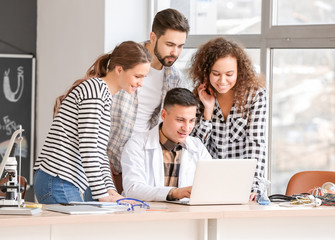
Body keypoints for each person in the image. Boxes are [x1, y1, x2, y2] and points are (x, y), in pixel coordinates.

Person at [33, 41, 152, 204]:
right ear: (119, 69)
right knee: (78, 229)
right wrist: (102, 195)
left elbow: (99, 152)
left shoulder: (103, 94)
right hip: (57, 179)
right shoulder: (95, 91)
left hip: (62, 181)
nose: (141, 83)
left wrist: (111, 191)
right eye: (138, 76)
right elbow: (88, 148)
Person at [108, 8, 190, 191]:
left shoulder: (174, 77)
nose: (175, 52)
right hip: (107, 165)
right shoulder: (125, 59)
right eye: (170, 44)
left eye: (180, 46)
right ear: (153, 37)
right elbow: (97, 109)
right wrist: (101, 160)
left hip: (140, 166)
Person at [189, 37, 267, 201]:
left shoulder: (255, 95)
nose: (222, 81)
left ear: (240, 71)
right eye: (216, 74)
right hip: (208, 183)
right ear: (206, 72)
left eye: (229, 74)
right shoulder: (199, 96)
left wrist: (253, 185)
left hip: (244, 184)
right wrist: (207, 112)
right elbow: (194, 147)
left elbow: (256, 143)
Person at [121, 88, 212, 201]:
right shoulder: (136, 145)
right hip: (145, 215)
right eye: (180, 120)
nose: (186, 128)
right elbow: (132, 190)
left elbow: (211, 186)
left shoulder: (198, 147)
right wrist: (174, 193)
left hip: (185, 216)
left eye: (192, 120)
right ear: (163, 115)